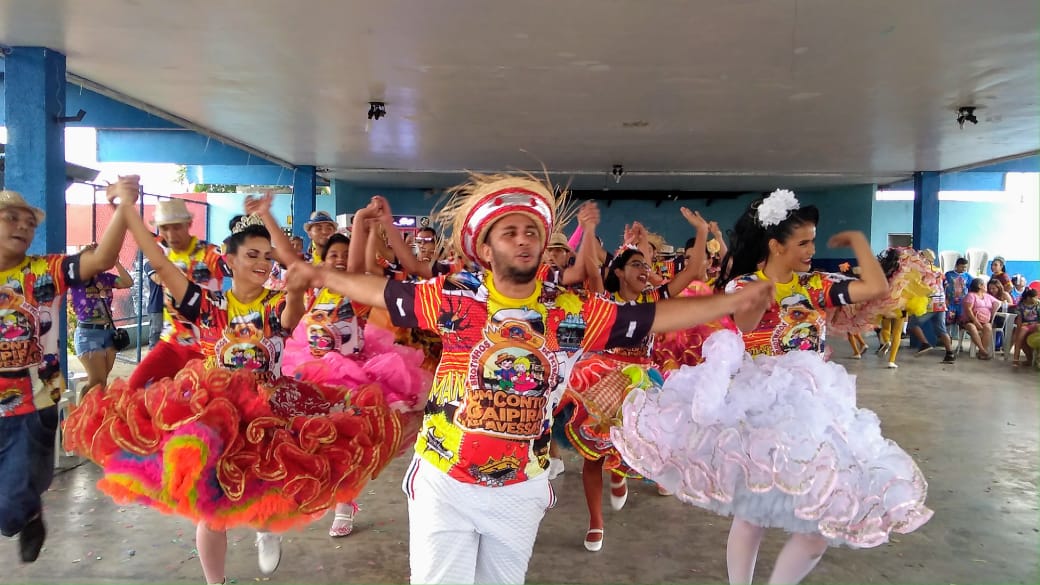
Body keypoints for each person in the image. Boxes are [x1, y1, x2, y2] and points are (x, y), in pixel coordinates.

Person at [285, 173, 773, 584]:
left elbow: (654, 318)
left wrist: (732, 302)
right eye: (510, 232)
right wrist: (319, 275)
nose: (523, 239)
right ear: (486, 246)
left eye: (531, 232)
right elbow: (380, 290)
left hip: (521, 486)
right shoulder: (454, 301)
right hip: (443, 480)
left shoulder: (572, 311)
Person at [623, 188, 930, 585]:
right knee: (751, 515)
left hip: (816, 409)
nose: (810, 249)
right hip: (760, 406)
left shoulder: (815, 285)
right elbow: (743, 329)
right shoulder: (744, 285)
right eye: (803, 242)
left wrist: (858, 242)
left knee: (818, 526)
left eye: (813, 241)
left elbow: (874, 288)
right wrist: (757, 299)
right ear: (775, 244)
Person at [562, 206, 709, 552]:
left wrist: (702, 233)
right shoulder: (603, 299)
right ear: (620, 272)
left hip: (642, 383)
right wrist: (587, 229)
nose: (646, 270)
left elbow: (691, 274)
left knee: (642, 447)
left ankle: (620, 472)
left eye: (647, 265)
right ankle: (595, 521)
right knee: (592, 455)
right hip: (602, 382)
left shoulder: (652, 301)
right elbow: (591, 269)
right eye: (637, 265)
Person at [0, 184, 131, 563]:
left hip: (33, 403)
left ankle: (27, 515)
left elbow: (103, 258)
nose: (23, 227)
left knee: (16, 502)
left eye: (28, 222)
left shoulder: (47, 271)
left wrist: (124, 207)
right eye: (11, 218)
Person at [127, 199, 227, 388]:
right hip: (171, 342)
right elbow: (139, 235)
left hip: (206, 348)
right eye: (164, 228)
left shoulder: (211, 254)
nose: (171, 235)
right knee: (135, 386)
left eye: (177, 227)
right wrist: (122, 205)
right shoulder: (162, 249)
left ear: (189, 224)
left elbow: (242, 265)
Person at [70, 248, 134, 393]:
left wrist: (117, 264)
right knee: (96, 382)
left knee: (102, 382)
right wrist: (86, 251)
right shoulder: (78, 278)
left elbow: (128, 282)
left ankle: (96, 413)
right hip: (88, 334)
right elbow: (72, 265)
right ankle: (83, 414)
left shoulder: (106, 278)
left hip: (109, 333)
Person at [908, 251, 956, 364]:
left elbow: (920, 287)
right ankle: (950, 354)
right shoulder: (939, 270)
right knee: (941, 329)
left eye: (921, 256)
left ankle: (925, 344)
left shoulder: (923, 271)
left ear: (925, 257)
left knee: (913, 323)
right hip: (941, 302)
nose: (919, 258)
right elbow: (947, 286)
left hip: (930, 303)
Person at [961, 277, 1001, 360]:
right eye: (985, 285)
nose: (987, 287)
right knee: (972, 327)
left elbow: (998, 302)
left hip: (984, 321)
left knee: (988, 327)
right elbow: (968, 309)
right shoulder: (971, 295)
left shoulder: (987, 296)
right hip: (970, 320)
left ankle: (981, 353)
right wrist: (975, 321)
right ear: (980, 286)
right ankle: (982, 350)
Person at [1011, 288, 1039, 367]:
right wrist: (1017, 331)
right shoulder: (1020, 306)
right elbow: (1019, 321)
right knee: (1020, 338)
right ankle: (1016, 358)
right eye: (1035, 297)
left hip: (1036, 325)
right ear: (1028, 298)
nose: (1037, 299)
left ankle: (1032, 359)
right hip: (1025, 325)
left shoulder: (1038, 305)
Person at [143, 259, 164, 348]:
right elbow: (159, 280)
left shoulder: (172, 261)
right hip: (157, 306)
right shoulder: (149, 263)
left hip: (173, 307)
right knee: (156, 340)